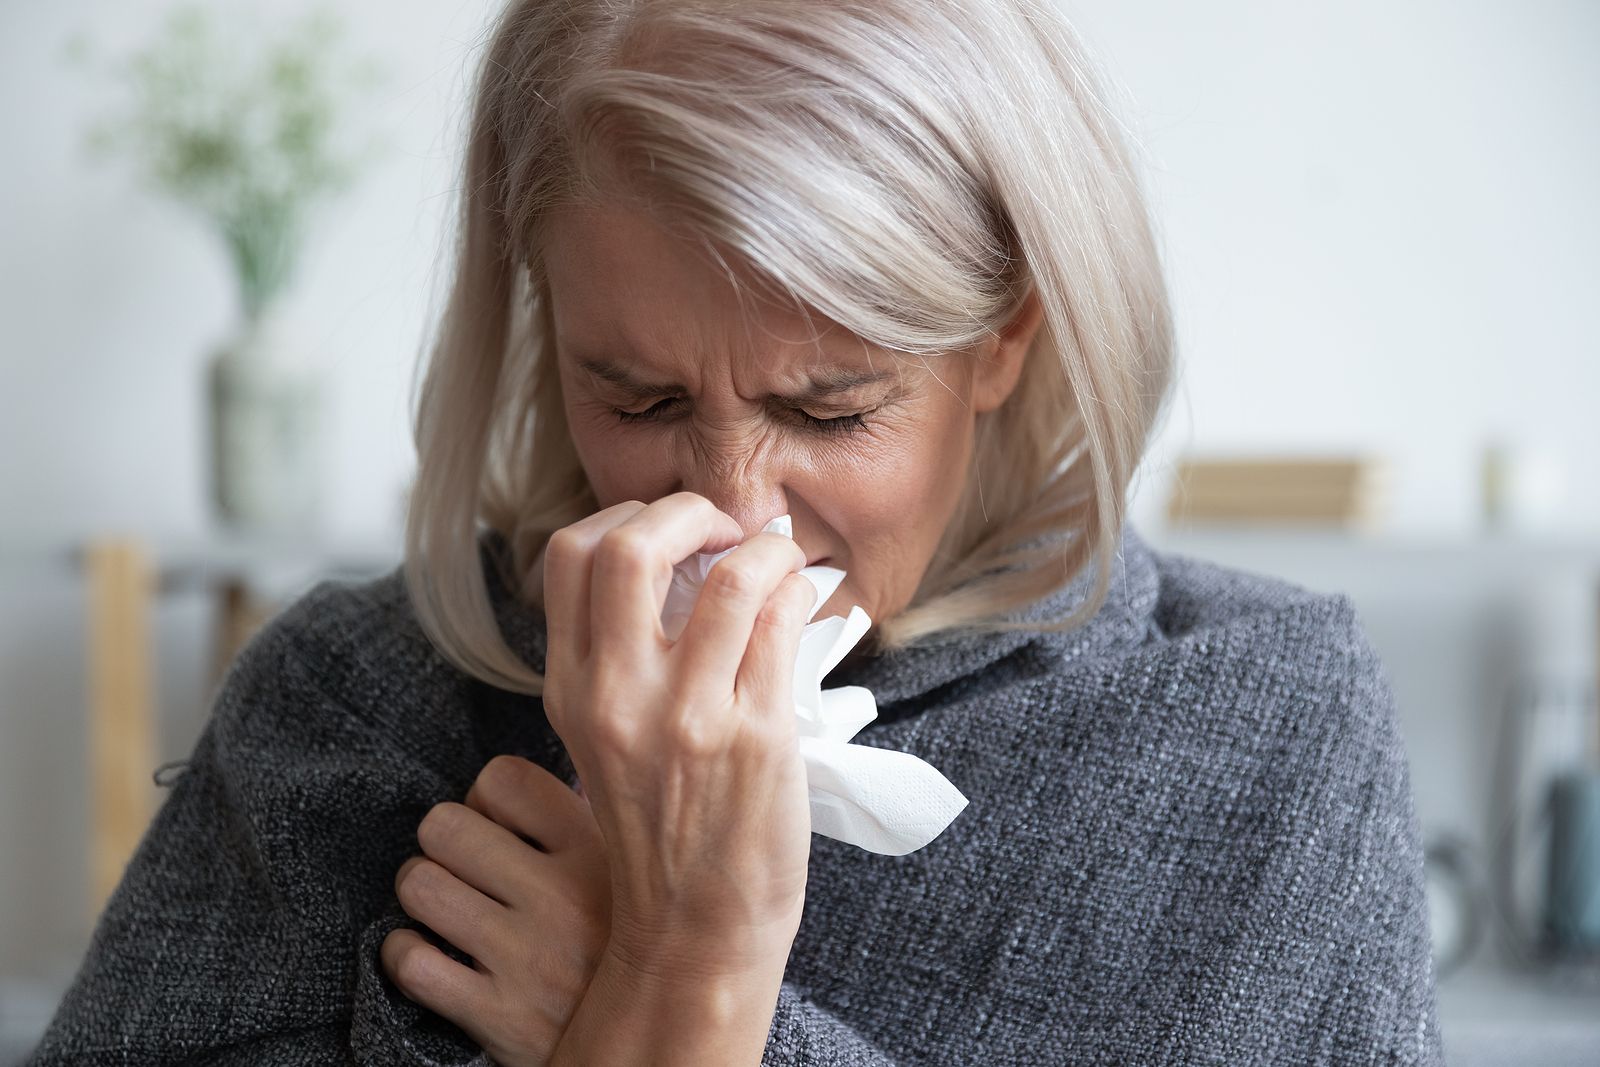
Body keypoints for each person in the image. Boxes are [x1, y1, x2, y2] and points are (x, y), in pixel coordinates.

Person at [27, 0, 1446, 1063]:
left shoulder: (1263, 722)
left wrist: (684, 978)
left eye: (830, 411)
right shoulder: (354, 703)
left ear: (1005, 337)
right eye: (636, 395)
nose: (731, 510)